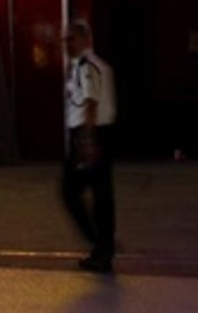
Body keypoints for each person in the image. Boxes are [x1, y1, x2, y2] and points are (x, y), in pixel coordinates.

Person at [60, 19, 117, 274]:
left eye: (71, 39)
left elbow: (91, 103)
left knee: (71, 191)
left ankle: (101, 244)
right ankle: (103, 247)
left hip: (89, 134)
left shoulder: (86, 66)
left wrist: (86, 140)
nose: (66, 44)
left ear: (85, 40)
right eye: (65, 39)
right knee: (101, 193)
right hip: (97, 134)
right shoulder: (93, 65)